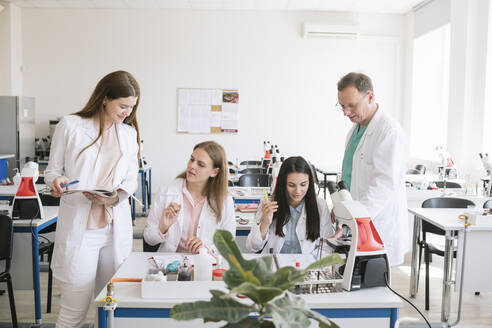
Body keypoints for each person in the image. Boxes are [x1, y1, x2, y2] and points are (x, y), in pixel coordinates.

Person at [44, 71, 140, 327]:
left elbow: (131, 178)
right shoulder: (71, 125)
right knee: (74, 311)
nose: (127, 113)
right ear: (105, 99)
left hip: (114, 228)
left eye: (131, 107)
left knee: (111, 309)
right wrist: (55, 181)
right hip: (82, 230)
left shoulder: (128, 134)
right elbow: (52, 170)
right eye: (123, 106)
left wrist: (114, 198)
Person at [336, 72, 408, 266]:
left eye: (352, 105)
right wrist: (343, 210)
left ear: (370, 97)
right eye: (342, 106)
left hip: (377, 223)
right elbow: (350, 175)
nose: (346, 112)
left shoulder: (388, 131)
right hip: (357, 220)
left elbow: (384, 185)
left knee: (375, 285)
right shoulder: (355, 129)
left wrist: (355, 218)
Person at [143, 141, 235, 254]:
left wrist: (207, 248)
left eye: (200, 164)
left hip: (205, 263)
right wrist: (162, 228)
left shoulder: (225, 201)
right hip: (171, 265)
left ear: (214, 172)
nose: (192, 166)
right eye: (192, 159)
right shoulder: (166, 192)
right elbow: (149, 239)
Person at [246, 156, 333, 254]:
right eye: (291, 185)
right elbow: (252, 247)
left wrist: (310, 264)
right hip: (274, 266)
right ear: (283, 183)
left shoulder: (320, 206)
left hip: (307, 267)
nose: (298, 191)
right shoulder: (268, 204)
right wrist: (265, 222)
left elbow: (327, 248)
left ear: (310, 183)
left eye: (303, 184)